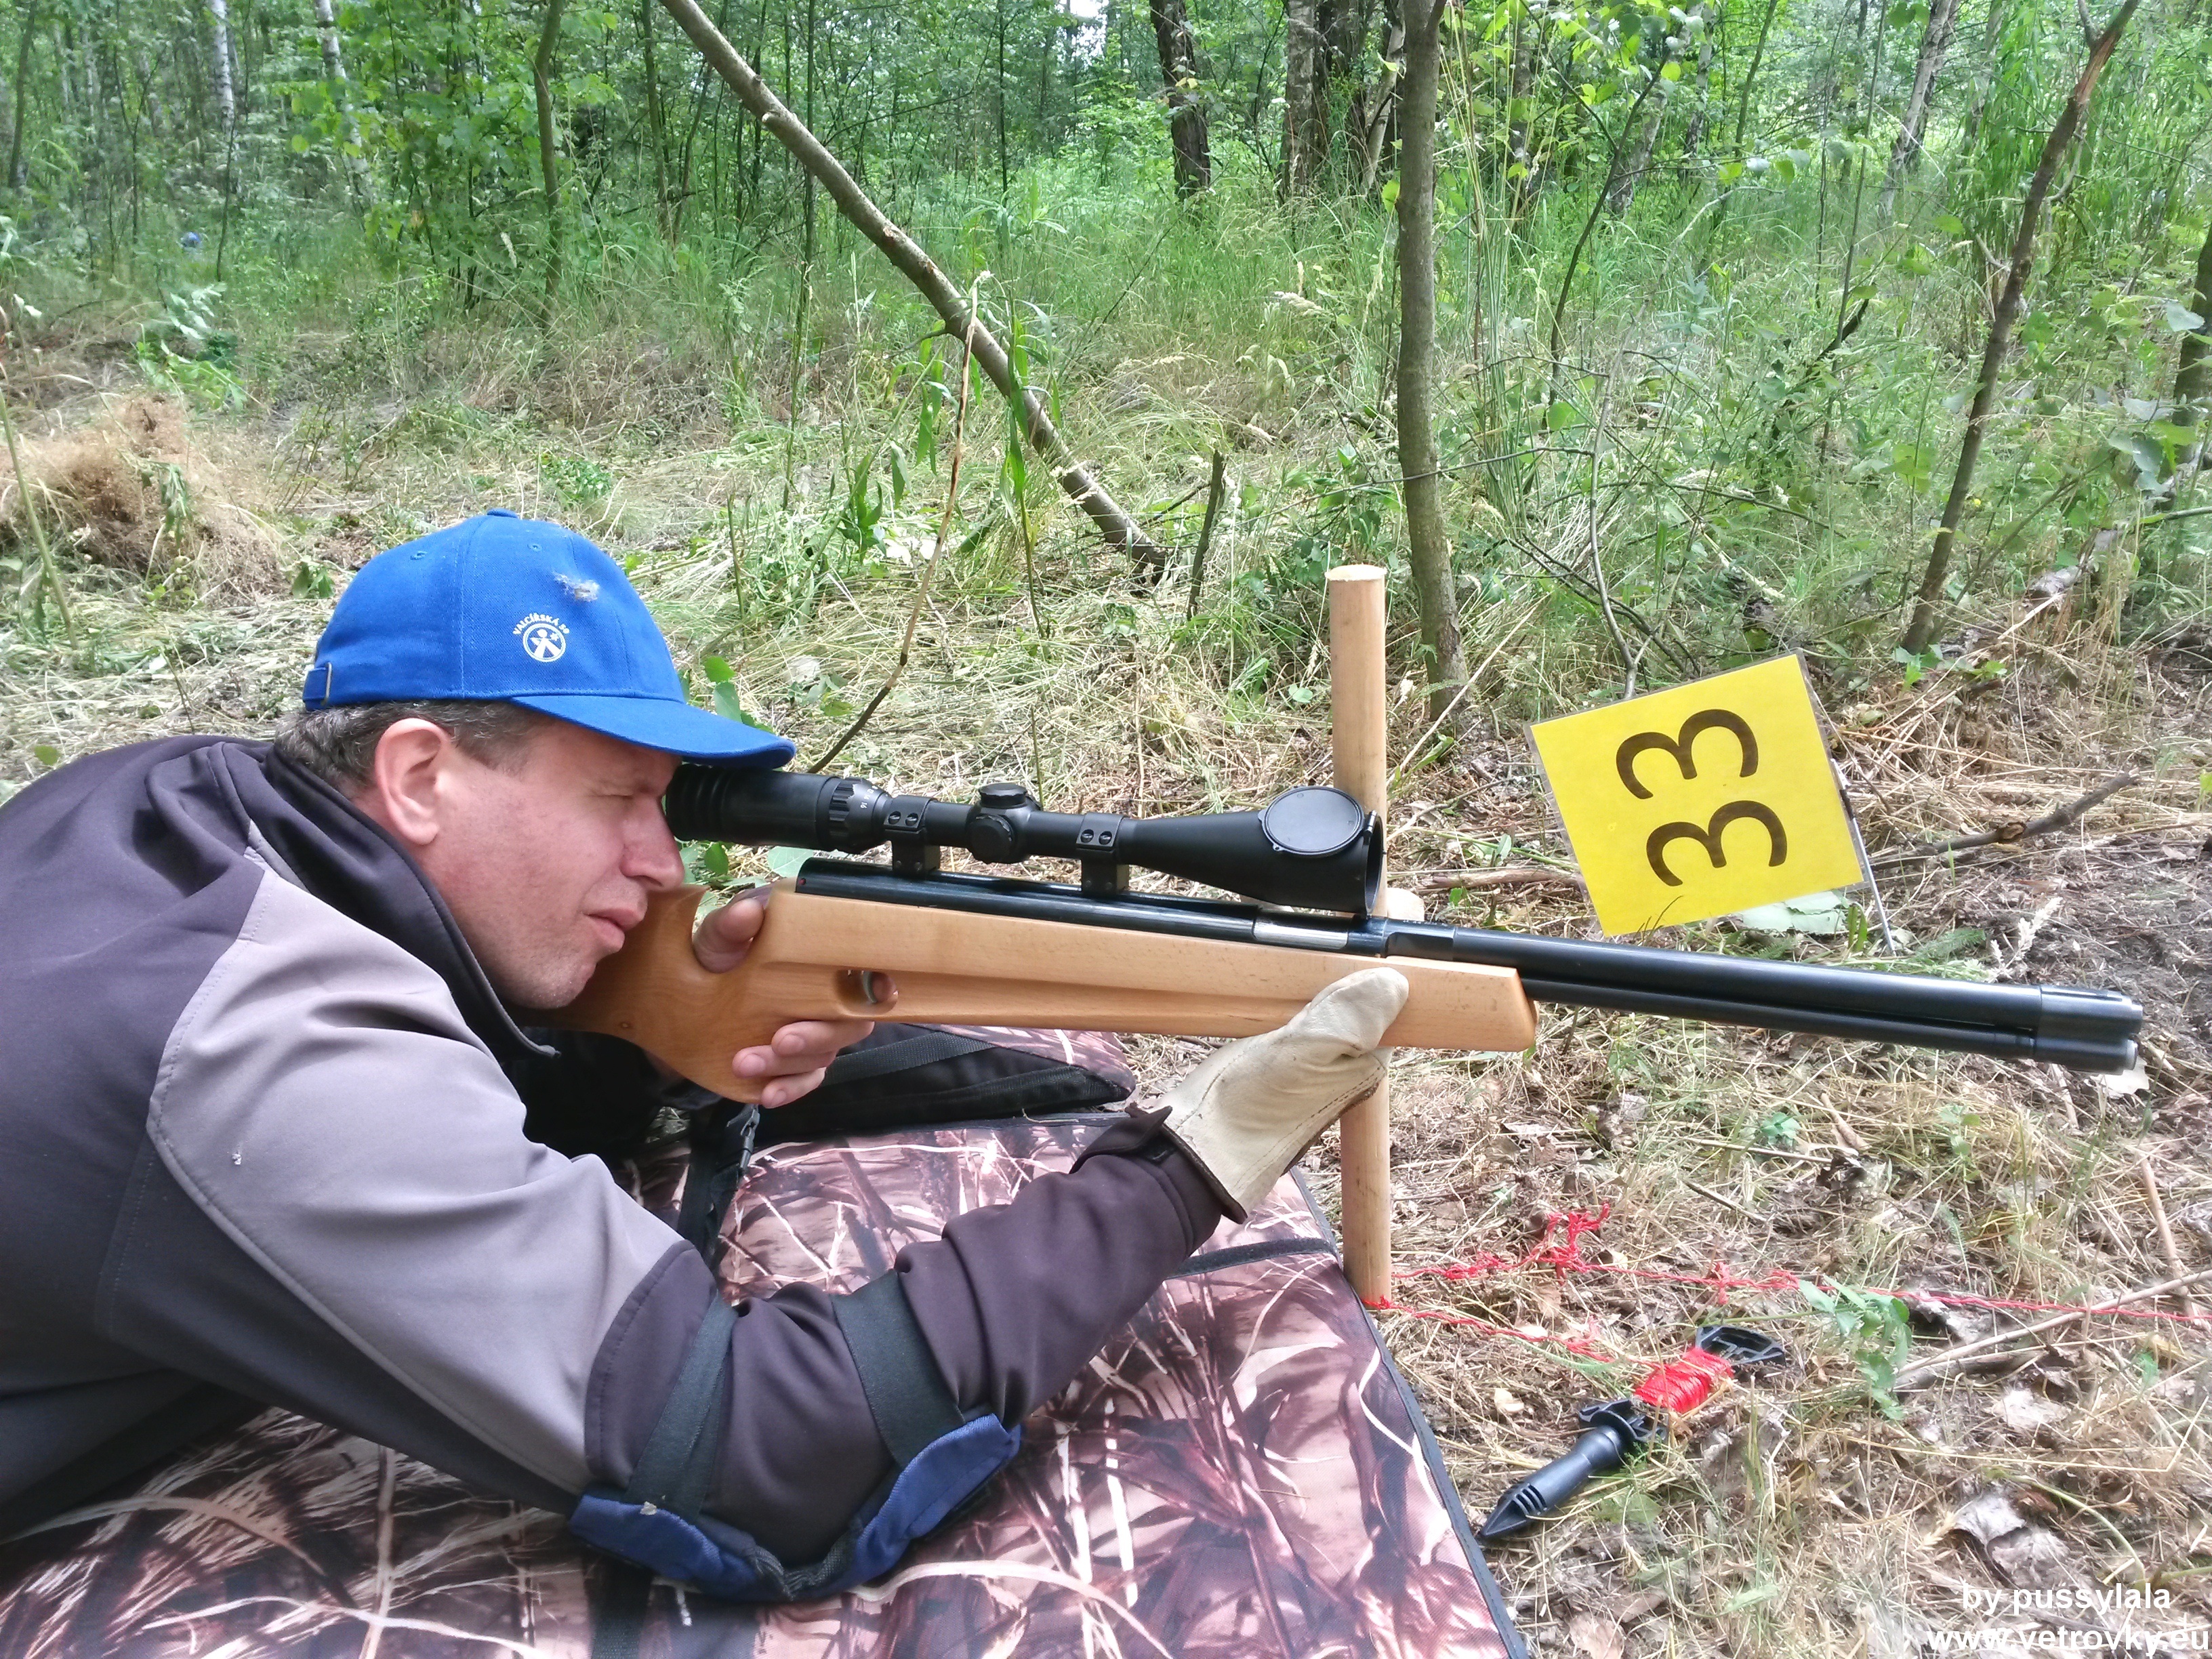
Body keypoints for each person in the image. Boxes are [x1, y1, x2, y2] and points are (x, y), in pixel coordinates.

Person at [0, 510, 1406, 1601]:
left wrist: (644, 1043)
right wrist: (1181, 1168)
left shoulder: (163, 798)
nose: (663, 863)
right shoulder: (244, 1045)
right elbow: (760, 1455)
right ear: (419, 775)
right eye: (618, 798)